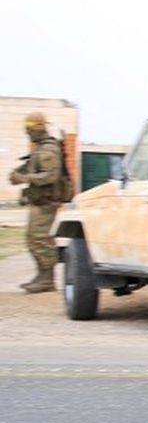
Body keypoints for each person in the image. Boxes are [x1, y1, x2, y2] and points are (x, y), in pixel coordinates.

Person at [9, 113, 69, 293]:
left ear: (37, 128)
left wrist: (23, 178)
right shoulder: (41, 148)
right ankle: (42, 275)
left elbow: (50, 176)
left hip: (46, 202)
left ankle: (47, 279)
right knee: (33, 238)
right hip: (39, 201)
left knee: (40, 239)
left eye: (29, 130)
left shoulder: (49, 149)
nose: (27, 134)